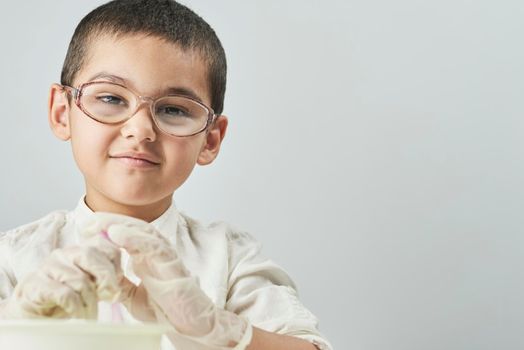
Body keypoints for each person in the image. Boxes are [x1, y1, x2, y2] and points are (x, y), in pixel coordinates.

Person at [0, 1, 332, 349]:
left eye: (174, 109)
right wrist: (13, 321)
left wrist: (218, 328)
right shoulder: (13, 257)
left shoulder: (229, 260)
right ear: (61, 112)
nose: (140, 129)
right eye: (112, 98)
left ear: (210, 139)